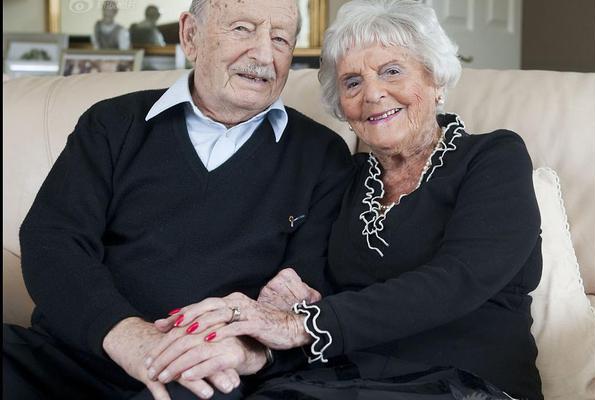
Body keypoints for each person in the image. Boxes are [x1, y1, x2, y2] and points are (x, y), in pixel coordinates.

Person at [146, 1, 545, 399]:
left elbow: (461, 278)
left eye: (391, 71)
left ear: (435, 80)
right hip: (342, 379)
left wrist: (303, 323)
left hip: (466, 381)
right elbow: (312, 281)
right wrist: (286, 297)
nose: (372, 93)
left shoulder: (493, 157)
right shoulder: (345, 178)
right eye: (352, 82)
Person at [2, 0, 353, 399]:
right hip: (75, 353)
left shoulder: (322, 156)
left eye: (280, 39)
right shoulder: (112, 123)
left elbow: (306, 299)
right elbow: (53, 241)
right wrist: (128, 337)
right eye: (242, 29)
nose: (263, 54)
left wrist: (242, 349)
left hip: (202, 368)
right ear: (190, 36)